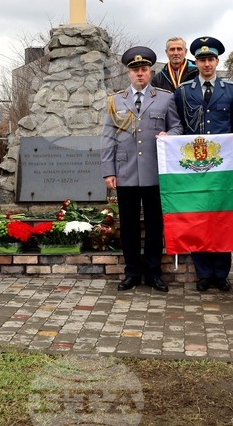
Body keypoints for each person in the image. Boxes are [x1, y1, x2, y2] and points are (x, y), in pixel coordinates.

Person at [102, 46, 183, 293]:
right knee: (128, 226)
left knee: (154, 225)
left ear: (150, 72)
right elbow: (108, 137)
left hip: (155, 171)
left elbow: (178, 127)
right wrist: (109, 171)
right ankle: (132, 273)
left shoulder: (165, 97)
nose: (140, 73)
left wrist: (168, 134)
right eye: (135, 70)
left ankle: (154, 273)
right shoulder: (116, 100)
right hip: (125, 172)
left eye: (144, 69)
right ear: (128, 73)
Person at [173, 37, 233, 292]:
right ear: (196, 62)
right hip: (195, 165)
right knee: (199, 217)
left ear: (217, 61)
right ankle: (204, 274)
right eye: (201, 60)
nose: (206, 64)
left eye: (210, 59)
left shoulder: (232, 91)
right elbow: (179, 126)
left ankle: (221, 273)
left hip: (223, 166)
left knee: (223, 219)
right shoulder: (183, 91)